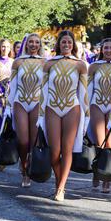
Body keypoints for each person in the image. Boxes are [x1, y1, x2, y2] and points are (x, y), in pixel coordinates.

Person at [37, 30, 89, 201]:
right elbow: (43, 91)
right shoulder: (49, 63)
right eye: (63, 42)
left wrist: (86, 117)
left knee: (67, 150)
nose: (66, 45)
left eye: (69, 42)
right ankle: (60, 182)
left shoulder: (80, 64)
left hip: (72, 108)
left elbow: (83, 94)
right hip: (52, 108)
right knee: (54, 152)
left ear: (73, 45)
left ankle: (60, 187)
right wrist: (40, 115)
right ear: (58, 44)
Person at [6, 33, 46, 187]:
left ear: (40, 45)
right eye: (31, 42)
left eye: (37, 42)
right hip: (20, 102)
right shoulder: (18, 62)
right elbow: (13, 86)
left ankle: (29, 168)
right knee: (23, 140)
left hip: (37, 103)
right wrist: (8, 107)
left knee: (34, 141)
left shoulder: (45, 62)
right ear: (26, 44)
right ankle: (24, 168)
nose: (34, 44)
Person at [88, 38, 111, 193]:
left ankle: (107, 177)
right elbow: (88, 89)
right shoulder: (94, 66)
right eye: (105, 48)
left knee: (110, 142)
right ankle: (97, 171)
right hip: (97, 104)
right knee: (99, 141)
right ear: (101, 50)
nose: (108, 51)